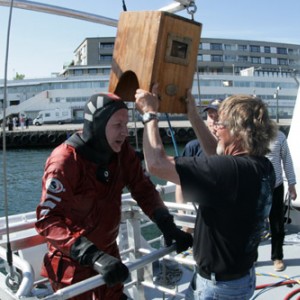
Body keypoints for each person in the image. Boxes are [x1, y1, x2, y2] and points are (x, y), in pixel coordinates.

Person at [35, 92, 193, 300]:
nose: (125, 132)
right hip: (74, 265)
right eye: (118, 125)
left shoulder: (120, 152)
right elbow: (48, 220)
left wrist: (166, 223)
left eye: (126, 125)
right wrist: (93, 256)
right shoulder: (65, 162)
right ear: (98, 126)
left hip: (108, 255)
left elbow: (142, 188)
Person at [135, 87, 277, 300]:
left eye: (221, 124)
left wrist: (149, 114)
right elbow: (217, 155)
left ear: (238, 132)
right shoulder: (262, 166)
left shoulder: (230, 171)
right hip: (239, 277)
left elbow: (156, 164)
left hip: (219, 288)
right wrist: (192, 114)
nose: (216, 129)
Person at [175, 99, 223, 232]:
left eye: (218, 117)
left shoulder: (231, 148)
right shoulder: (193, 147)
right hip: (195, 212)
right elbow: (180, 181)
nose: (213, 120)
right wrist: (182, 212)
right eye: (210, 116)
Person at [266, 130, 297, 272]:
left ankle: (277, 256)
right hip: (254, 187)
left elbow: (287, 160)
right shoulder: (247, 134)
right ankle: (251, 257)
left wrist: (292, 184)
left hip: (276, 187)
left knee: (277, 225)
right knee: (253, 225)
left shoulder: (279, 136)